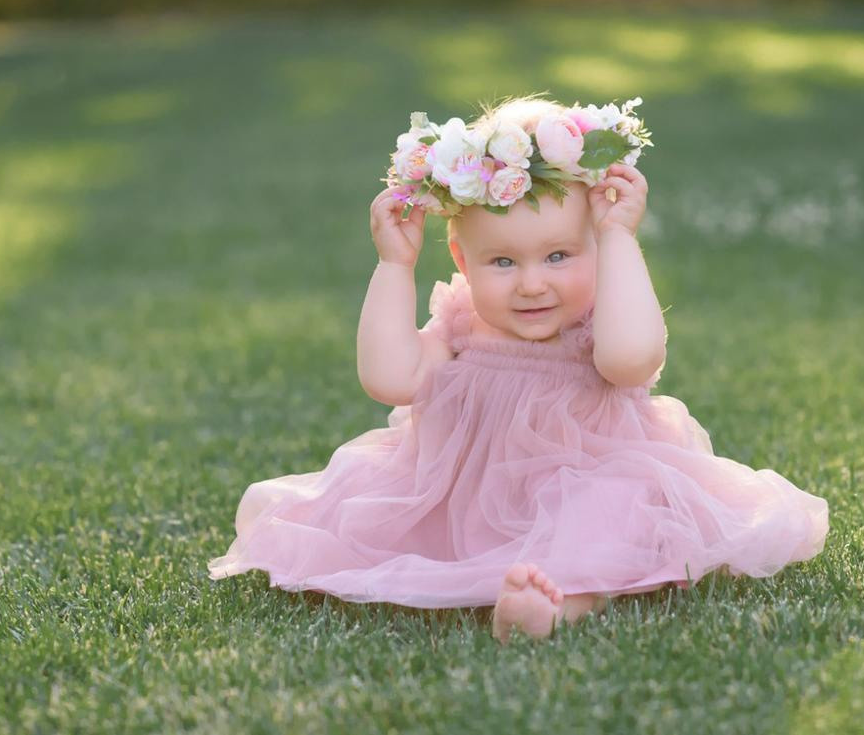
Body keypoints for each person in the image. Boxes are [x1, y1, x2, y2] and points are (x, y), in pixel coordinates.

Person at [207, 94, 829, 643]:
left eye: (559, 255)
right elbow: (390, 379)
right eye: (503, 262)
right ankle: (518, 578)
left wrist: (618, 237)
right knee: (371, 518)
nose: (533, 284)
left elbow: (633, 359)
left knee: (611, 522)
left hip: (590, 484)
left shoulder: (601, 329)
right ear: (462, 257)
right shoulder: (459, 324)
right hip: (463, 506)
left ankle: (555, 603)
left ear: (594, 246)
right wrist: (393, 265)